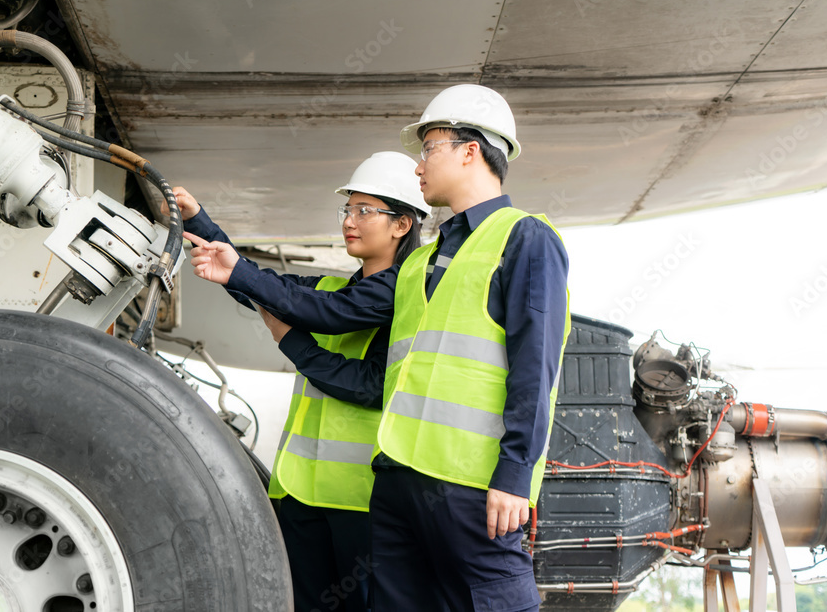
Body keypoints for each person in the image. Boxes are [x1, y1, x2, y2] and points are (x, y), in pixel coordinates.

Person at [187, 84, 570, 611]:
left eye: (429, 148)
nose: (419, 165)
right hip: (397, 480)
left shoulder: (525, 238)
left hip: (469, 484)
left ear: (470, 150)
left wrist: (514, 474)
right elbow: (292, 296)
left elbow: (536, 367)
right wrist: (202, 228)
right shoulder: (419, 264)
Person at [178, 152, 431, 612]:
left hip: (362, 501)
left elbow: (368, 384)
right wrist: (199, 221)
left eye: (364, 211)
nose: (349, 222)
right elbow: (262, 287)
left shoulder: (404, 295)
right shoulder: (337, 290)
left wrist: (290, 340)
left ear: (402, 224)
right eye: (347, 210)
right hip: (300, 493)